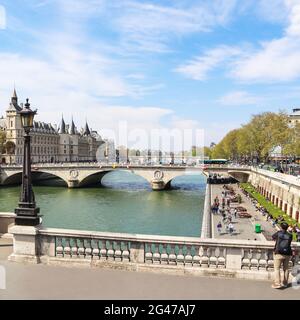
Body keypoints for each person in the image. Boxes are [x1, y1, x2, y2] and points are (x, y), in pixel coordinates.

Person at [271, 222, 293, 289]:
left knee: (277, 269)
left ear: (281, 227)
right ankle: (285, 283)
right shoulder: (290, 235)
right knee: (286, 269)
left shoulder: (278, 233)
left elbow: (272, 237)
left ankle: (277, 283)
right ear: (287, 228)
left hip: (278, 253)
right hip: (287, 253)